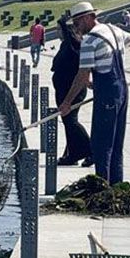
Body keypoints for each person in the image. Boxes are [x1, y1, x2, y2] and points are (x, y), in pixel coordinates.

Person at [58, 2, 130, 184]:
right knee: (116, 145)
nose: (75, 28)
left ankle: (102, 188)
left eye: (76, 23)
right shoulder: (114, 30)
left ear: (86, 18)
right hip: (121, 92)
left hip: (107, 96)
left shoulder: (89, 41)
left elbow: (82, 75)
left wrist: (67, 103)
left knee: (101, 145)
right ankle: (116, 185)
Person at [51, 15, 92, 166]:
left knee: (71, 121)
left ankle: (90, 150)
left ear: (66, 30)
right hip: (63, 88)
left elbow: (83, 68)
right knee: (68, 121)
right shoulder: (66, 45)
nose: (57, 32)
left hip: (72, 90)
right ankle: (71, 154)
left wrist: (86, 81)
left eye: (58, 29)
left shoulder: (75, 45)